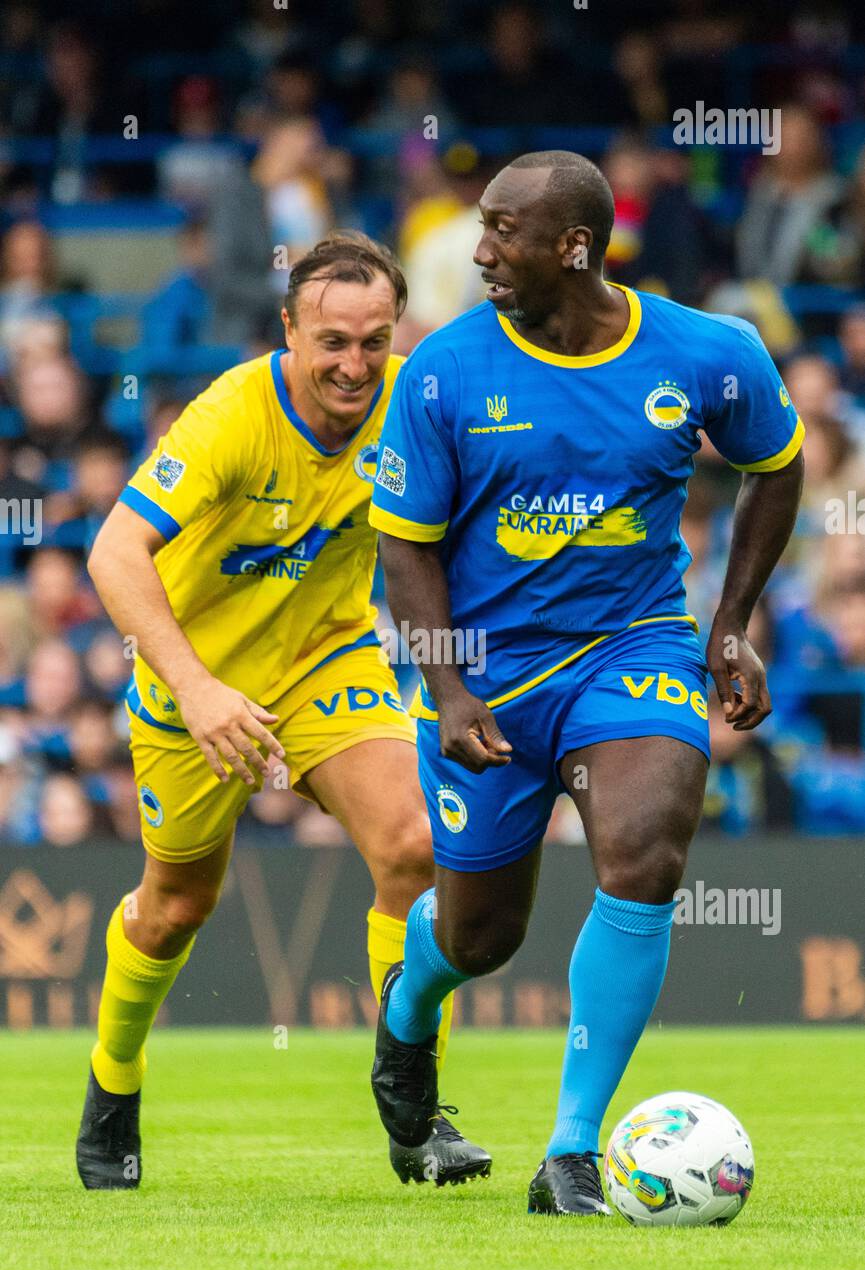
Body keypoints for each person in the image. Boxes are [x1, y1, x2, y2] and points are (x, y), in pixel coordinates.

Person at [368, 151, 804, 1216]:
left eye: (501, 232)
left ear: (574, 246)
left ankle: (570, 1149)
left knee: (645, 853)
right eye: (481, 226)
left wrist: (733, 621)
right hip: (491, 675)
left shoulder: (709, 353)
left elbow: (777, 461)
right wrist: (452, 687)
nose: (479, 252)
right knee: (480, 937)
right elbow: (404, 546)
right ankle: (405, 1014)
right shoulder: (441, 373)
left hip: (637, 645)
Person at [76, 232, 489, 1192]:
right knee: (175, 908)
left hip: (324, 660)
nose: (353, 365)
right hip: (194, 681)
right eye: (332, 341)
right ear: (289, 332)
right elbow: (112, 555)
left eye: (373, 342)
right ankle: (113, 1082)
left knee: (416, 847)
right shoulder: (230, 418)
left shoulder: (412, 404)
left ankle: (413, 1110)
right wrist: (198, 688)